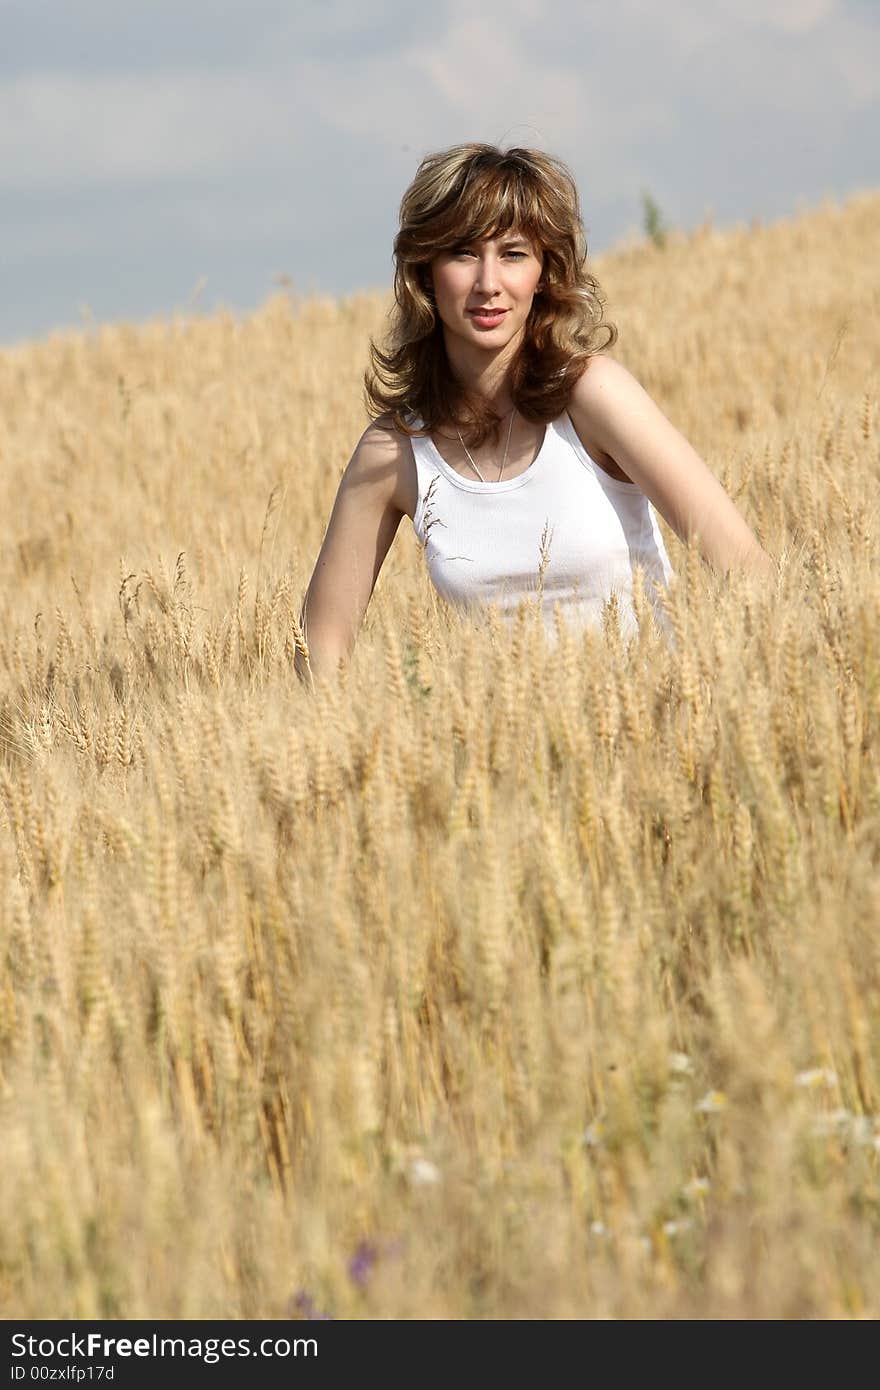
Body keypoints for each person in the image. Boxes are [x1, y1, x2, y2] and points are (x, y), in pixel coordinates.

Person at [294, 143, 774, 687]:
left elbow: (744, 571)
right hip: (498, 762)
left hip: (651, 742)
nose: (488, 283)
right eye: (463, 253)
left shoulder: (594, 397)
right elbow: (320, 652)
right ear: (425, 271)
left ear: (545, 272)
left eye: (514, 254)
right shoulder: (394, 450)